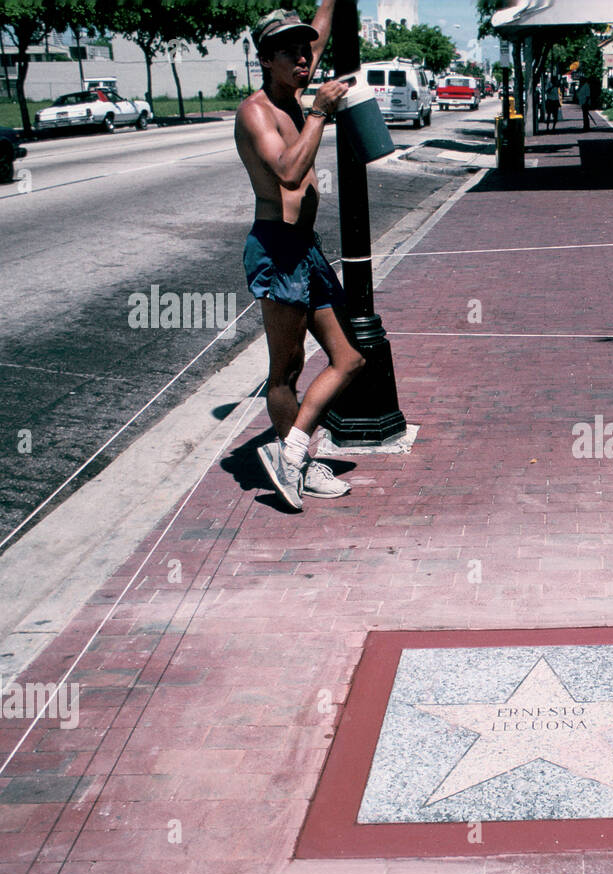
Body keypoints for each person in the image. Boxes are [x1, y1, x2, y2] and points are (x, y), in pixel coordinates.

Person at [235, 5, 366, 512]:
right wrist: (320, 112)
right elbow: (289, 173)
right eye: (289, 50)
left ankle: (291, 452)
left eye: (306, 48)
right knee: (285, 370)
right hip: (277, 248)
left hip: (305, 248)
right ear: (266, 59)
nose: (303, 56)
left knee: (349, 359)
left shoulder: (294, 96)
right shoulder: (258, 111)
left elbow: (324, 19)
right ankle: (297, 463)